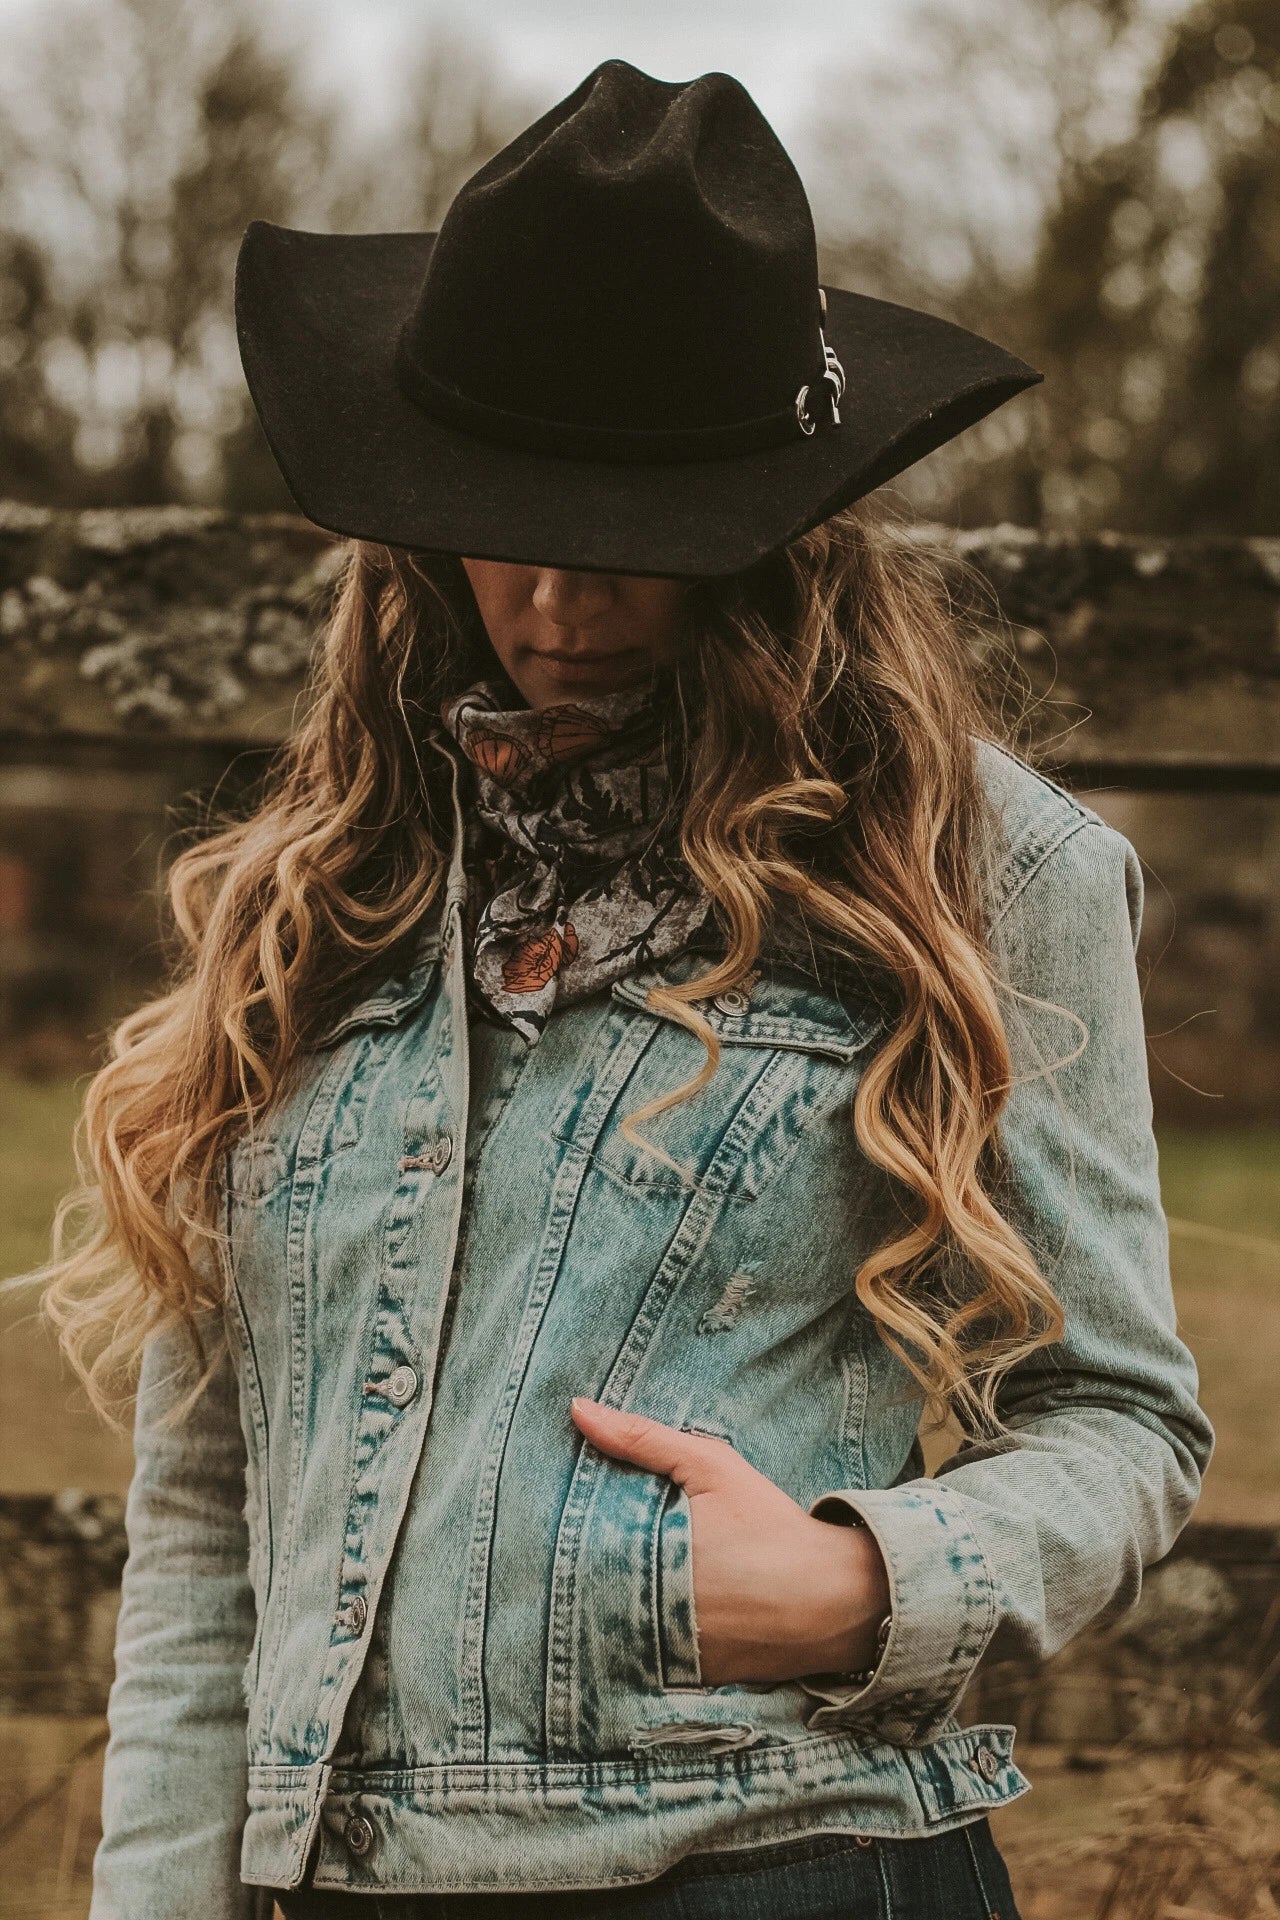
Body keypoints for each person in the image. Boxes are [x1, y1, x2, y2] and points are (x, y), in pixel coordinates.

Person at [46, 58, 1213, 1920]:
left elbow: (1123, 1423)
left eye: (635, 540)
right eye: (505, 515)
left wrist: (867, 1580)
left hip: (769, 1860)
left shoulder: (975, 870)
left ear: (773, 524)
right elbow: (215, 1525)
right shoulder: (315, 895)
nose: (560, 604)